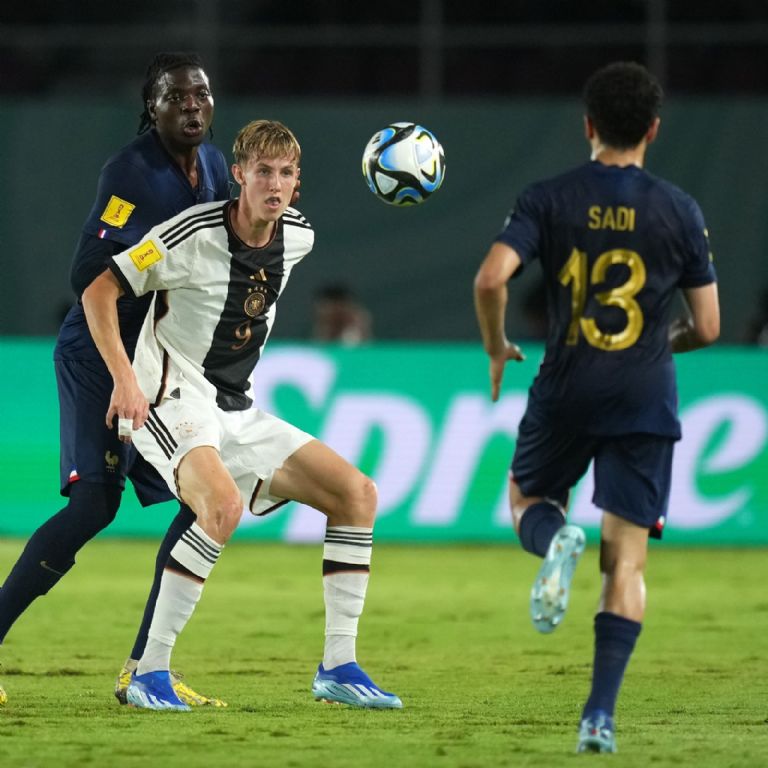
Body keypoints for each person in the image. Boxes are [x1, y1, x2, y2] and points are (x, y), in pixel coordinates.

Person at [80, 119, 402, 711]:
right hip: (171, 397)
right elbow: (99, 291)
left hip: (237, 407)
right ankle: (150, 674)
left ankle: (338, 665)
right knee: (221, 508)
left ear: (297, 184)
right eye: (263, 172)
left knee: (357, 495)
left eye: (285, 174)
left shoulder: (299, 237)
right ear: (239, 176)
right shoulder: (188, 235)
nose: (274, 185)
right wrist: (126, 379)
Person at [473, 61, 719, 753]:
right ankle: (598, 717)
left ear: (587, 126)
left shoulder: (549, 197)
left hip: (567, 382)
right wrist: (654, 339)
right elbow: (708, 326)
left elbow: (492, 277)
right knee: (628, 565)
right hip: (644, 393)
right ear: (653, 129)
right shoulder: (680, 209)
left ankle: (555, 540)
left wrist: (496, 345)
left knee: (527, 496)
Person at [0, 52, 231, 708]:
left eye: (202, 95)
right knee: (94, 505)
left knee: (201, 505)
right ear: (151, 107)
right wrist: (123, 375)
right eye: (176, 97)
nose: (192, 106)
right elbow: (88, 278)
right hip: (100, 358)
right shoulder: (131, 174)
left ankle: (144, 670)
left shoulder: (214, 168)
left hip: (158, 367)